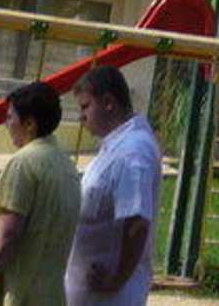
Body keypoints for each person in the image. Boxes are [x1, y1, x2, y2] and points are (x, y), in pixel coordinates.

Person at [0, 81, 81, 306]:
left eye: (10, 117)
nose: (6, 124)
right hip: (52, 296)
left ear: (29, 123)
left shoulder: (23, 163)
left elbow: (7, 235)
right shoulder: (66, 165)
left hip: (20, 295)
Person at [67, 66, 161, 306]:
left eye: (85, 107)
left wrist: (116, 280)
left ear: (108, 102)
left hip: (110, 297)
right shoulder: (116, 146)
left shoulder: (133, 152)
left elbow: (137, 222)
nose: (81, 117)